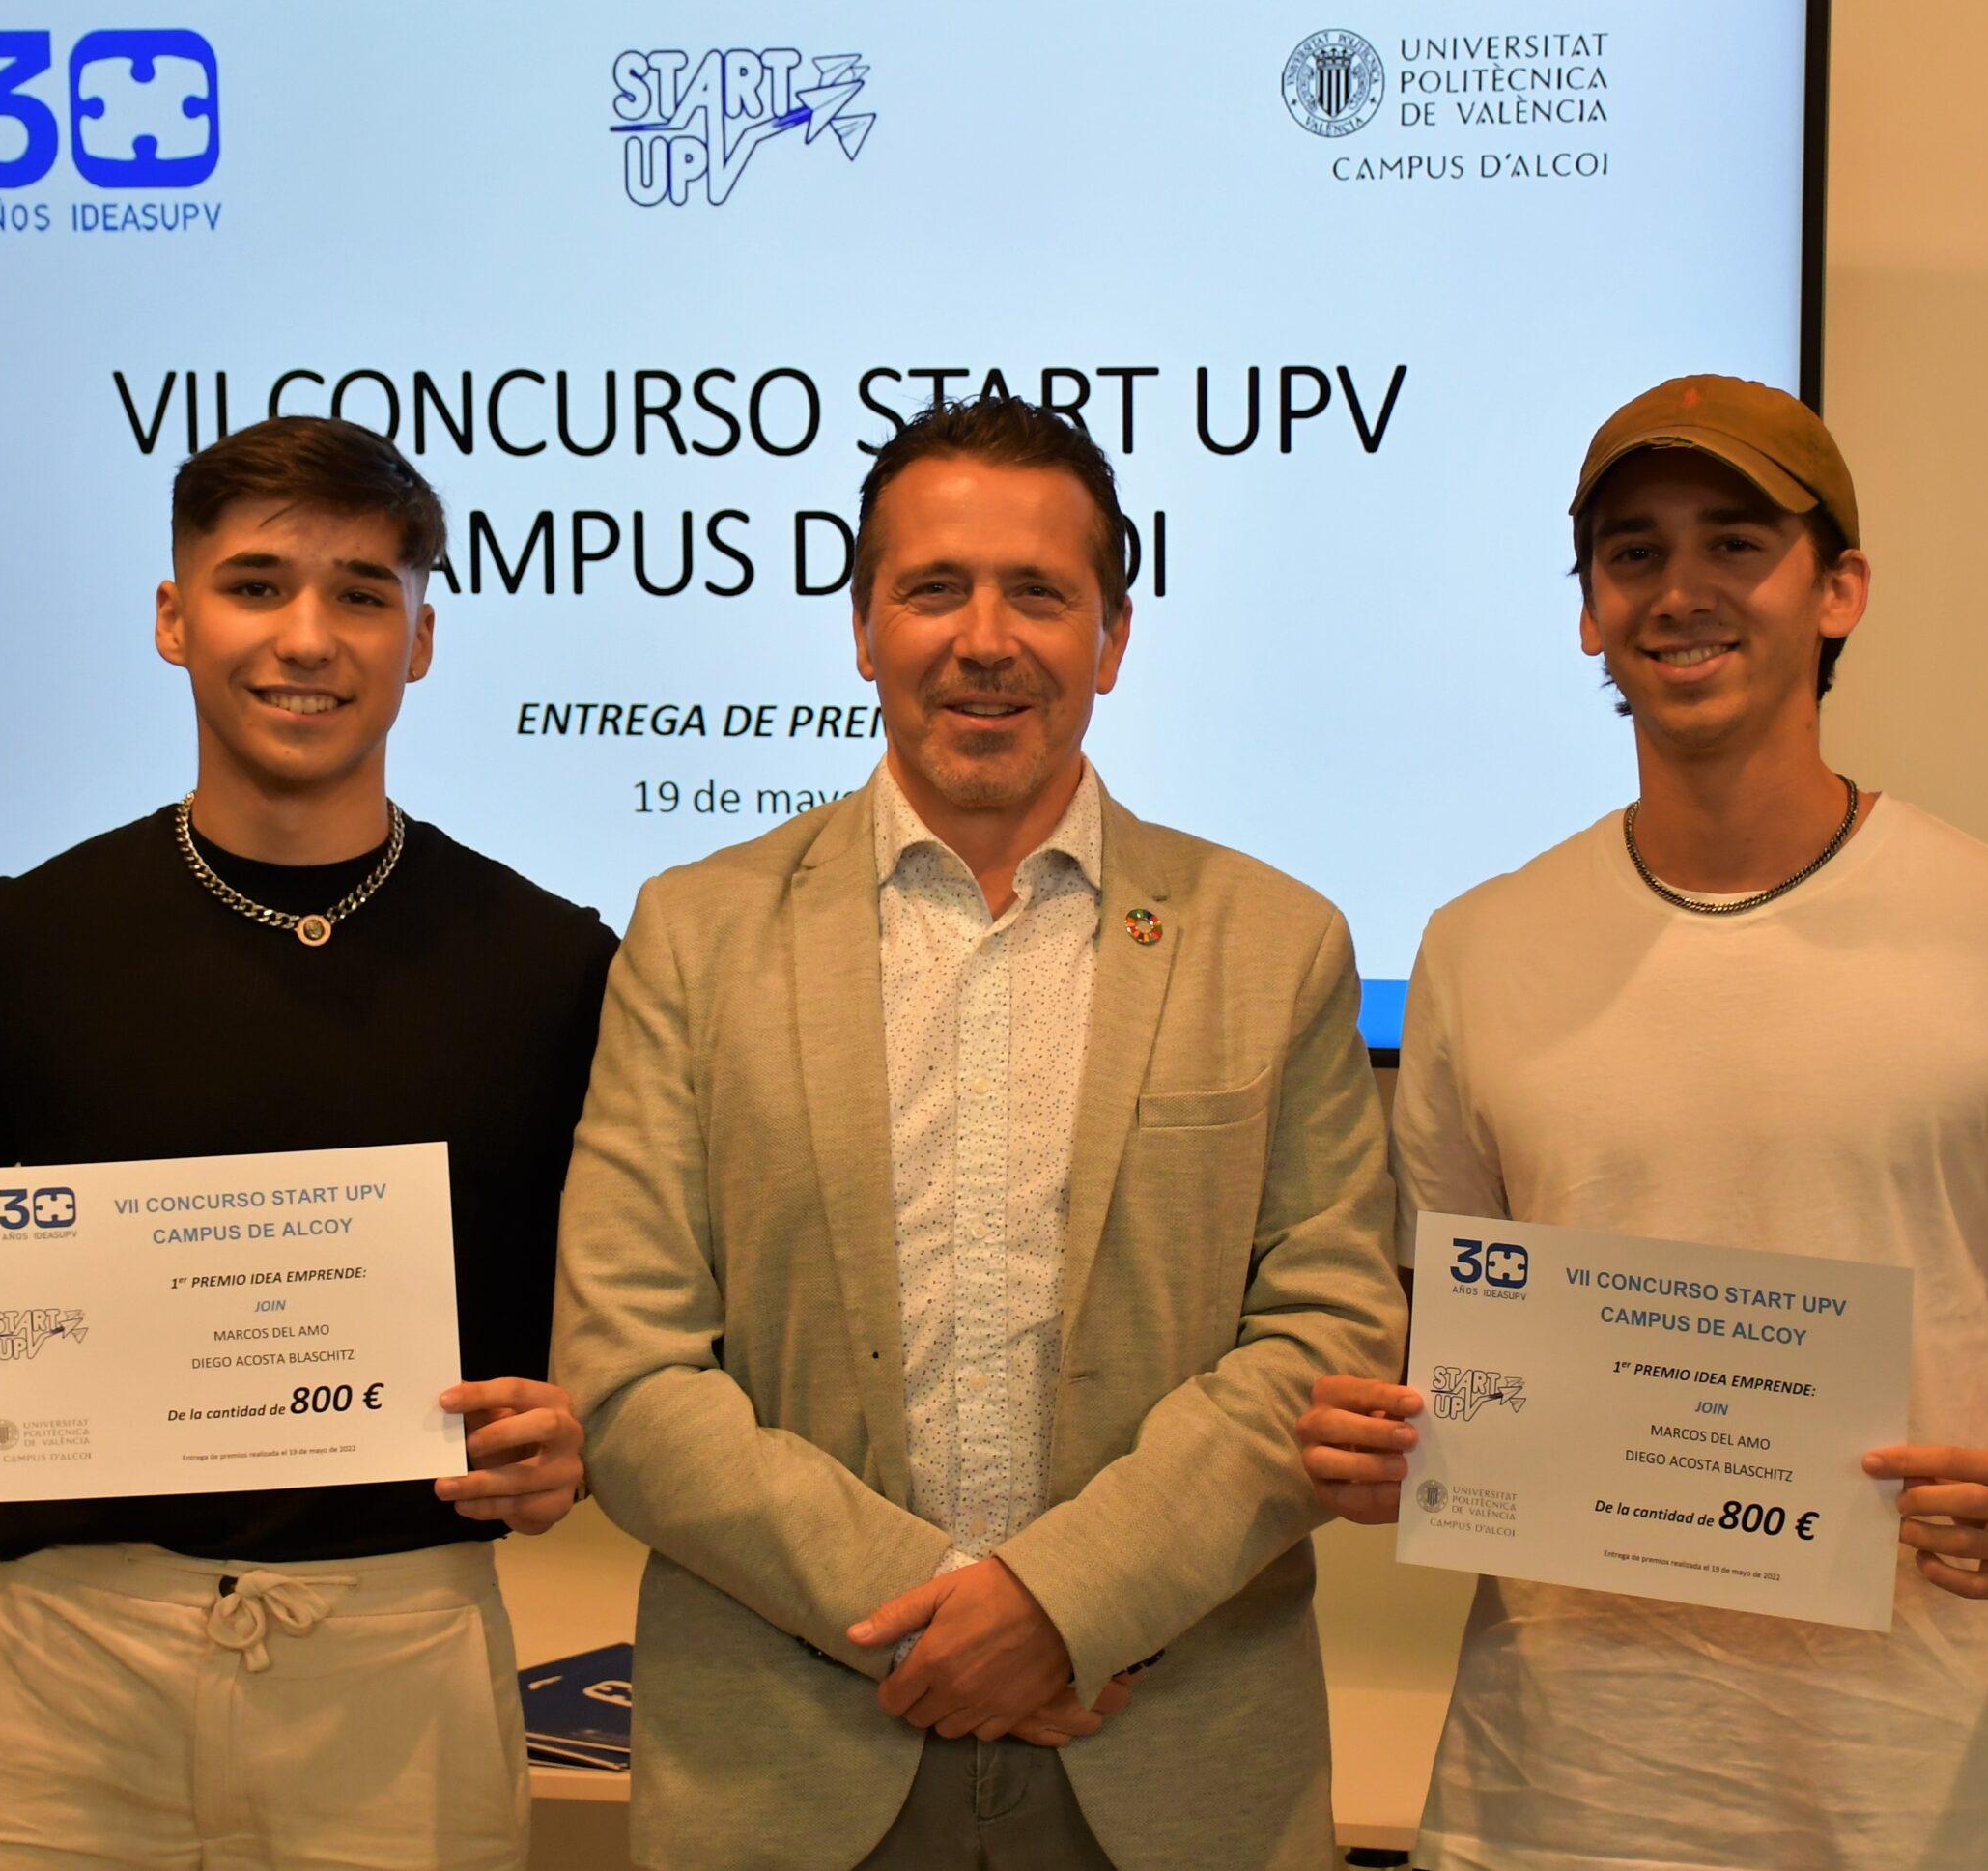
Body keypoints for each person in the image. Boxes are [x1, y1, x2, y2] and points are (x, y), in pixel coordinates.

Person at [1298, 375, 1988, 1871]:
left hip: (1905, 1808)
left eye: (1736, 541)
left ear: (1839, 589)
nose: (1680, 590)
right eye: (1633, 552)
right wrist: (1370, 1434)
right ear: (1588, 611)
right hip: (1541, 1805)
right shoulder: (1479, 949)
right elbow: (1440, 1342)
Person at [554, 394, 1402, 1871]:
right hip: (791, 1774)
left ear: (1113, 637)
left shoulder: (1277, 944)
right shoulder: (693, 936)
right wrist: (942, 1612)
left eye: (1041, 593)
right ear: (864, 628)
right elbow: (626, 1375)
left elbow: (1326, 1336)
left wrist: (1066, 1604)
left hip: (1170, 1767)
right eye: (934, 588)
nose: (985, 638)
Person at [0, 415, 617, 1871]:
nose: (307, 636)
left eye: (362, 592)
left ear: (422, 638)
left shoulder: (554, 964)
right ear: (175, 618)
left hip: (401, 1670)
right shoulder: (24, 939)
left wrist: (584, 1436)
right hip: (62, 1674)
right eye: (255, 585)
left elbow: (641, 1323)